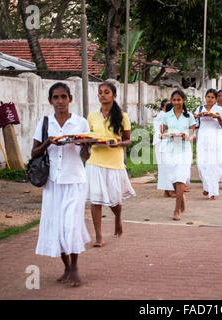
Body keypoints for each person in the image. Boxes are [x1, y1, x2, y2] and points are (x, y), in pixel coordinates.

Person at [32, 82, 91, 287]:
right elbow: (34, 153)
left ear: (70, 99)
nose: (60, 102)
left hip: (75, 180)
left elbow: (86, 155)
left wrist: (84, 144)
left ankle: (74, 268)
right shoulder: (45, 122)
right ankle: (66, 266)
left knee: (71, 225)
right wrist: (49, 142)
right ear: (50, 101)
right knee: (57, 228)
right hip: (53, 183)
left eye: (63, 97)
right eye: (56, 98)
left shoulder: (80, 122)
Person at [86, 82, 136, 248]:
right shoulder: (92, 116)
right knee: (96, 200)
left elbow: (128, 139)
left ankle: (117, 218)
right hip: (94, 162)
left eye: (106, 92)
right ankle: (99, 236)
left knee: (115, 201)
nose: (102, 95)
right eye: (100, 92)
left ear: (114, 96)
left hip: (114, 162)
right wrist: (86, 147)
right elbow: (87, 137)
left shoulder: (122, 116)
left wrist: (120, 143)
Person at [162, 90, 196, 220]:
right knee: (173, 179)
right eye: (174, 100)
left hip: (184, 150)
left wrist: (187, 137)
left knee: (180, 178)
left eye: (178, 100)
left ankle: (176, 211)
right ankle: (181, 197)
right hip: (170, 150)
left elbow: (193, 134)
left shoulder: (189, 116)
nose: (176, 102)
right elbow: (163, 133)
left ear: (184, 100)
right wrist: (168, 135)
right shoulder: (166, 116)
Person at [195, 89, 222, 200]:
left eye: (212, 97)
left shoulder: (219, 110)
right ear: (205, 97)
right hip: (203, 138)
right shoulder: (200, 109)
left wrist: (218, 118)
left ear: (216, 99)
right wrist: (196, 116)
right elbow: (194, 123)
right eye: (208, 96)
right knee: (201, 164)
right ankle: (206, 186)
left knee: (214, 165)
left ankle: (212, 191)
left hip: (215, 139)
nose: (210, 99)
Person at [154, 99, 175, 197]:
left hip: (162, 143)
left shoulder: (162, 115)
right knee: (167, 167)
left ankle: (167, 191)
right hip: (163, 142)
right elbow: (164, 131)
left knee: (163, 166)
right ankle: (168, 190)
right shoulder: (164, 116)